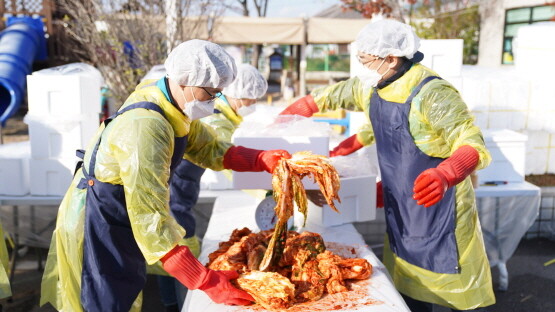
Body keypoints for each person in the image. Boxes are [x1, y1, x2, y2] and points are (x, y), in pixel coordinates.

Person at [40, 39, 291, 312]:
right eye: (211, 92)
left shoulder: (172, 104)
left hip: (123, 215)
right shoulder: (146, 127)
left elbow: (209, 147)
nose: (215, 100)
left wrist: (260, 159)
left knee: (124, 290)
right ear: (184, 81)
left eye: (220, 93)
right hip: (100, 223)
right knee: (104, 299)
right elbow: (151, 220)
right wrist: (205, 281)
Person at [280, 19, 494, 312]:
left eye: (367, 61)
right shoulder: (375, 83)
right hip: (401, 204)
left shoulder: (432, 93)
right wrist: (301, 109)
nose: (362, 69)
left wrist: (448, 172)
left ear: (392, 58)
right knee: (405, 287)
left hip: (438, 206)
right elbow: (337, 94)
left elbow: (471, 140)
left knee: (439, 289)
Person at [156, 63, 268, 311]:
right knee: (177, 250)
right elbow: (223, 161)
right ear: (237, 95)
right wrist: (262, 191)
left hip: (182, 190)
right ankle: (177, 304)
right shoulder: (216, 119)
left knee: (174, 251)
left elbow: (222, 155)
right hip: (173, 194)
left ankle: (172, 303)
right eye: (250, 100)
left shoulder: (224, 116)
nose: (252, 106)